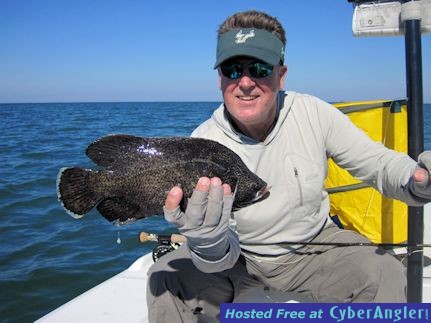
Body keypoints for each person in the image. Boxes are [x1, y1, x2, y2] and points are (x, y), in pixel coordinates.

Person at [147, 10, 431, 322]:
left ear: (281, 75)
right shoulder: (202, 143)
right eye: (232, 69)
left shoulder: (314, 113)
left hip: (315, 248)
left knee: (385, 273)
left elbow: (376, 161)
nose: (245, 83)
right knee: (164, 277)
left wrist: (415, 177)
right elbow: (214, 256)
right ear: (219, 79)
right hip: (237, 258)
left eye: (258, 68)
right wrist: (206, 239)